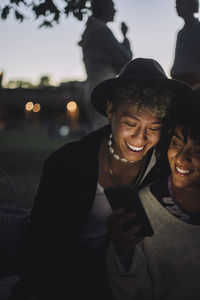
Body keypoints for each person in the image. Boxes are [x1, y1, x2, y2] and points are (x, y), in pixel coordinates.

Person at [9, 58, 192, 300]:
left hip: (132, 282)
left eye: (154, 128)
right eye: (130, 124)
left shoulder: (165, 167)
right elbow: (38, 248)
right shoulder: (66, 163)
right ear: (109, 111)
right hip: (64, 280)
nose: (140, 139)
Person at [106, 92, 200, 300]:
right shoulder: (146, 206)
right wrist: (124, 252)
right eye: (176, 144)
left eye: (197, 152)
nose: (181, 158)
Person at [79, 0, 133, 132]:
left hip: (90, 86)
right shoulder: (101, 30)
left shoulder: (90, 29)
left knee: (97, 131)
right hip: (104, 85)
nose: (115, 11)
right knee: (105, 133)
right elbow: (125, 58)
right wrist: (125, 37)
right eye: (112, 7)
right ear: (104, 8)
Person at [170, 0, 200, 88]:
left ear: (191, 4)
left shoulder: (198, 29)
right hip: (178, 81)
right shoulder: (180, 33)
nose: (176, 6)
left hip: (194, 82)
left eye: (179, 2)